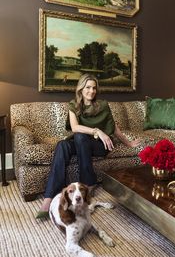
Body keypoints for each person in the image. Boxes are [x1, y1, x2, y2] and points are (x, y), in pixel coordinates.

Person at [36, 73, 141, 218]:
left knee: (79, 137)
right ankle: (50, 196)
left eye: (94, 88)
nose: (91, 91)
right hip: (82, 142)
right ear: (81, 89)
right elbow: (75, 127)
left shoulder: (103, 105)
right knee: (62, 145)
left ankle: (88, 184)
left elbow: (114, 127)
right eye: (88, 87)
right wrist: (97, 130)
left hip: (100, 146)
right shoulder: (74, 105)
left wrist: (128, 143)